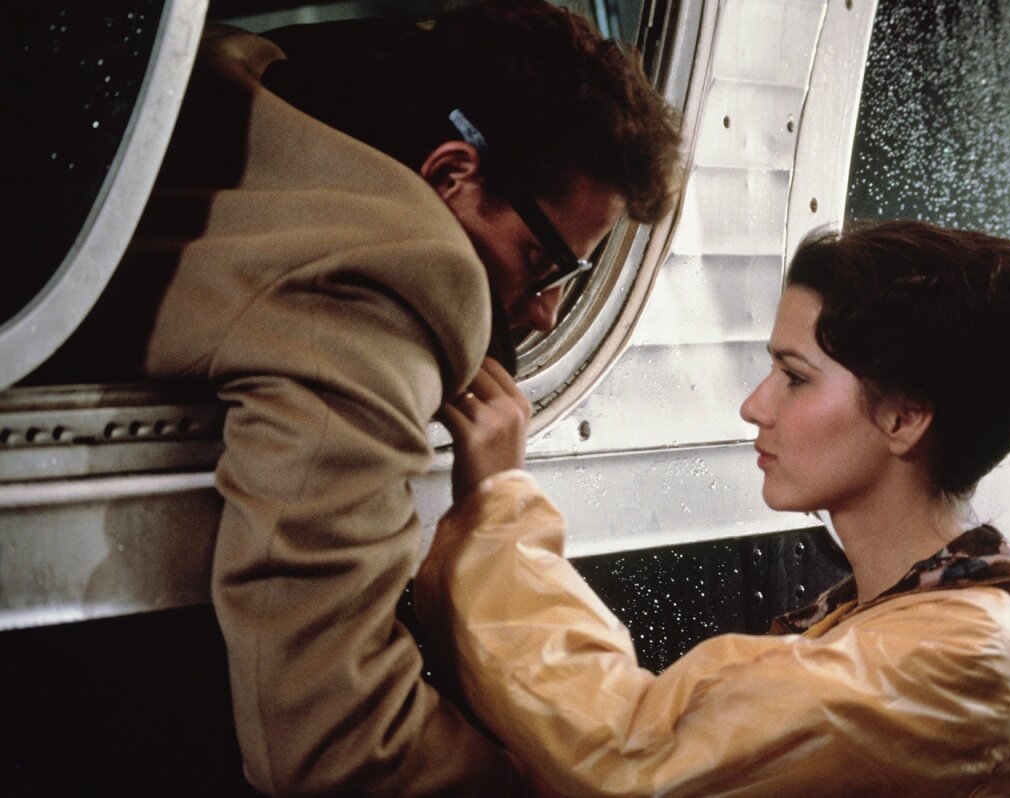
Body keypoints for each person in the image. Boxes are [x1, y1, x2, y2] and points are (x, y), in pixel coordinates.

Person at [32, 2, 678, 795]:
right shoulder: (399, 281)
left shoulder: (233, 77)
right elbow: (334, 739)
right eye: (543, 265)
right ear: (450, 174)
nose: (546, 315)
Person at [417, 220, 1010, 796]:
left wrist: (500, 504)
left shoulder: (965, 655)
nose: (755, 406)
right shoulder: (898, 614)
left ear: (904, 418)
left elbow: (629, 753)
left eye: (795, 377)